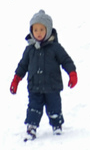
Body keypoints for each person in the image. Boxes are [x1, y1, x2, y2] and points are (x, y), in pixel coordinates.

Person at [10, 9, 77, 141]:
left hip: (53, 85)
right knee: (34, 107)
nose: (39, 33)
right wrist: (16, 80)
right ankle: (31, 127)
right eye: (35, 30)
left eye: (42, 29)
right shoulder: (29, 50)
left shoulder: (55, 48)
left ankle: (57, 125)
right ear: (31, 31)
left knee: (54, 107)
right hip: (35, 86)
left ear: (48, 29)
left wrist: (72, 73)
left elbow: (66, 60)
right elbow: (22, 66)